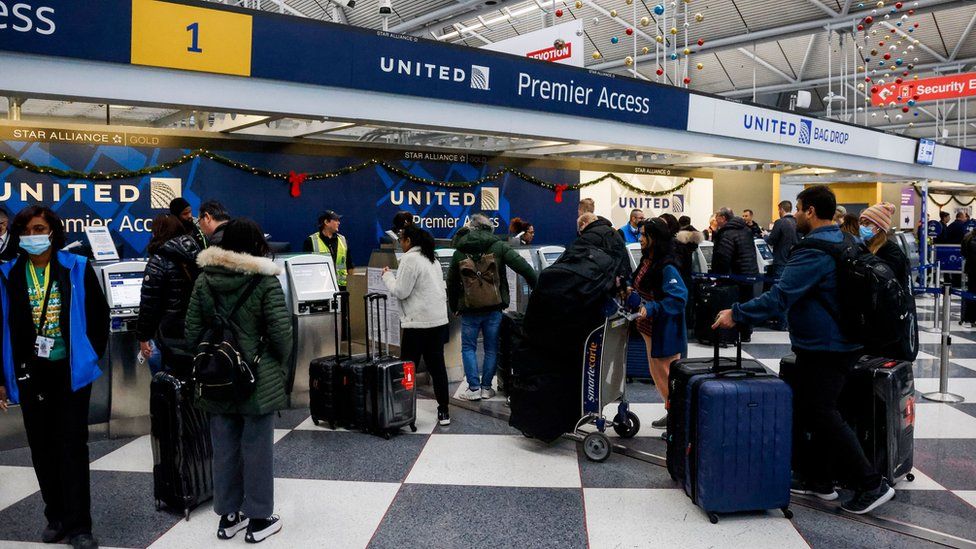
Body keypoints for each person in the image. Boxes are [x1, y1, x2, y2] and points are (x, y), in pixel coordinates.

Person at [712, 185, 896, 516]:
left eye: (797, 209)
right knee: (816, 411)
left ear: (810, 211)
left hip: (826, 346)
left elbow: (780, 297)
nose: (794, 215)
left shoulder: (813, 251)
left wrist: (735, 313)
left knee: (822, 412)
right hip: (846, 341)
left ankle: (871, 484)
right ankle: (819, 479)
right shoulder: (846, 240)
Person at [0, 206, 109, 549]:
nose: (32, 236)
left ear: (53, 231)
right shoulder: (8, 274)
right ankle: (56, 517)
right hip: (30, 373)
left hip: (69, 374)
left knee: (71, 447)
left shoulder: (75, 267)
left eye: (39, 228)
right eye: (26, 231)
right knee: (42, 449)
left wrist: (88, 354)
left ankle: (79, 526)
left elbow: (98, 316)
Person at [185, 219, 293, 544]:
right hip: (255, 378)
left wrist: (217, 356)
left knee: (224, 449)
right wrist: (275, 362)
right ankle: (259, 519)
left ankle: (229, 516)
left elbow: (191, 333)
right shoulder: (264, 281)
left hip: (217, 377)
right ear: (257, 244)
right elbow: (281, 335)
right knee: (257, 448)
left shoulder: (205, 280)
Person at [447, 214, 538, 400]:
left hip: (469, 309)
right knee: (490, 348)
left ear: (472, 228)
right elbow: (525, 268)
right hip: (494, 307)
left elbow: (451, 281)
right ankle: (487, 387)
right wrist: (537, 289)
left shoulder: (459, 251)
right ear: (489, 228)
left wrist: (455, 304)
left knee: (468, 347)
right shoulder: (499, 246)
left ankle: (473, 389)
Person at [382, 226, 451, 425]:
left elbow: (401, 291)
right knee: (437, 367)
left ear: (409, 241)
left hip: (417, 324)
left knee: (407, 368)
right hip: (438, 321)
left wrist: (388, 276)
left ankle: (403, 410)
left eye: (401, 240)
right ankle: (444, 411)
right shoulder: (432, 258)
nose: (400, 243)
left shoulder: (410, 259)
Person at [633, 218, 688, 429]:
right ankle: (671, 411)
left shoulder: (667, 267)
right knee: (659, 376)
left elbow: (678, 298)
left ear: (654, 238)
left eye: (643, 235)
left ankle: (679, 420)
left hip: (664, 330)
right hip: (650, 329)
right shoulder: (648, 260)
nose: (640, 238)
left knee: (668, 377)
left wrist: (653, 308)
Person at [136, 213, 203, 376]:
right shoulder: (198, 255)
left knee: (165, 389)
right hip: (195, 334)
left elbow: (149, 304)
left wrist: (143, 337)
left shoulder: (159, 260)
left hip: (165, 337)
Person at [710, 207, 759, 341]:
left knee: (732, 304)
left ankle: (729, 335)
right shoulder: (746, 229)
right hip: (749, 272)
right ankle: (746, 333)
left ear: (723, 218)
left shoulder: (726, 233)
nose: (715, 220)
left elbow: (723, 257)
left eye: (717, 217)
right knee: (747, 302)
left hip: (734, 275)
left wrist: (718, 274)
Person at [303, 210, 351, 291]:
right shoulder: (311, 241)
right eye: (336, 220)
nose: (338, 223)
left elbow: (349, 265)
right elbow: (306, 268)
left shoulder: (342, 240)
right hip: (321, 287)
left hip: (342, 288)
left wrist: (352, 286)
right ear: (326, 222)